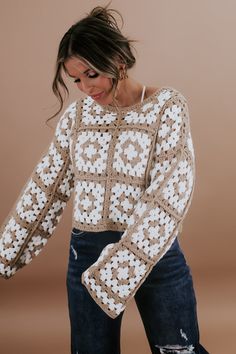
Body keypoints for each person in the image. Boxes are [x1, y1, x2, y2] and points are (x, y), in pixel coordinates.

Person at [0, 4, 209, 354]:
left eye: (91, 74)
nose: (84, 88)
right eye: (76, 79)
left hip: (154, 251)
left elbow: (169, 196)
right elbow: (45, 188)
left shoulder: (167, 107)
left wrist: (116, 271)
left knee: (179, 350)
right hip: (87, 253)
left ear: (118, 60)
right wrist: (4, 255)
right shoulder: (77, 117)